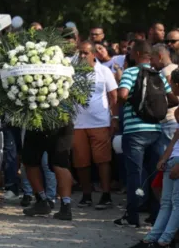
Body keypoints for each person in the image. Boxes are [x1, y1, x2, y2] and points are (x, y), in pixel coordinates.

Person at [114, 40, 179, 228]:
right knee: (154, 172)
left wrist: (136, 106)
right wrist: (154, 109)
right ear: (149, 56)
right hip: (156, 129)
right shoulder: (157, 75)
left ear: (136, 54)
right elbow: (173, 100)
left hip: (135, 131)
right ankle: (156, 214)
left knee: (134, 173)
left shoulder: (130, 72)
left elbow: (123, 94)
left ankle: (132, 216)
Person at [72, 41, 118, 209]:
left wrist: (115, 118)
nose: (82, 56)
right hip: (77, 124)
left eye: (85, 53)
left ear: (93, 54)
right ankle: (86, 195)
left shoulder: (104, 71)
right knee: (81, 161)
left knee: (103, 160)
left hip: (100, 122)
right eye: (80, 53)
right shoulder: (72, 72)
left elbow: (113, 97)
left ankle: (106, 195)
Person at [130, 113, 179, 248]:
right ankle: (152, 238)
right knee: (165, 202)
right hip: (171, 162)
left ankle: (165, 241)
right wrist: (164, 159)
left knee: (176, 203)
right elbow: (174, 142)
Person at [150, 44, 178, 141]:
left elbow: (171, 97)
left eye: (152, 59)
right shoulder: (176, 68)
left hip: (169, 120)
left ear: (160, 56)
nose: (151, 63)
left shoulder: (165, 72)